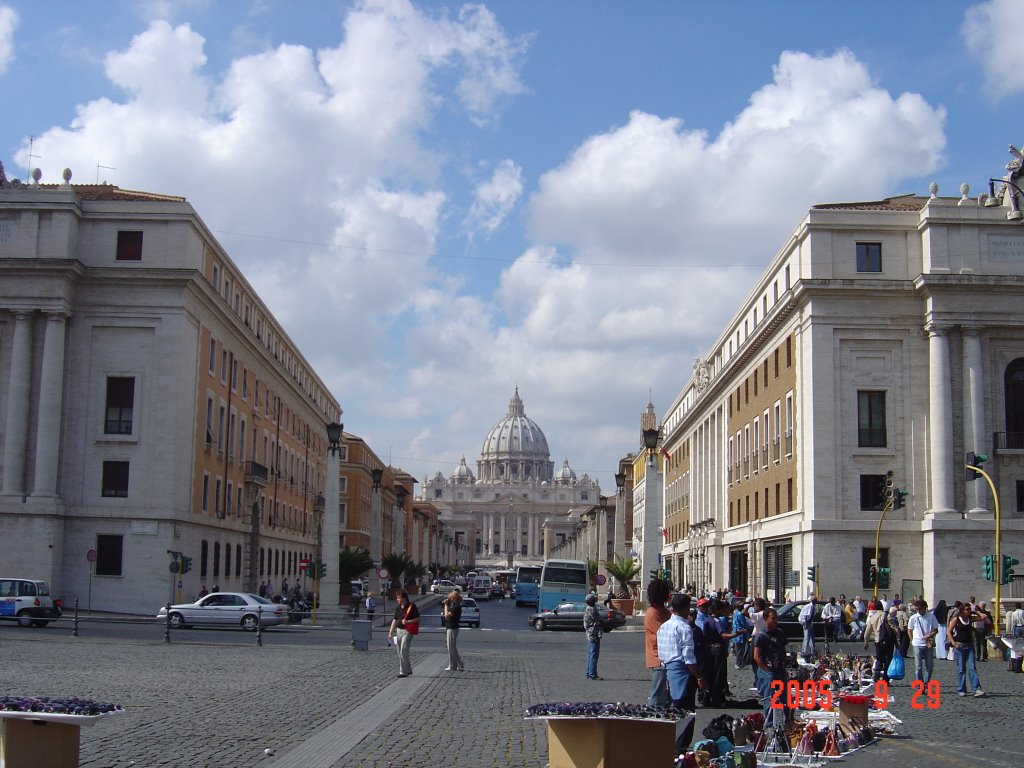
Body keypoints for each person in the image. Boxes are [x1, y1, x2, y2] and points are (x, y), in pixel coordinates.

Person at [657, 593, 706, 752]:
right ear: (685, 609)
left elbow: (661, 655)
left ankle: (672, 746)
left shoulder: (663, 627)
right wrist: (699, 676)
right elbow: (689, 658)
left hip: (668, 671)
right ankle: (680, 749)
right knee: (687, 714)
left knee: (674, 711)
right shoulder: (684, 627)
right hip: (683, 672)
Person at [753, 607, 790, 723]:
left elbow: (783, 649)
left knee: (785, 697)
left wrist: (784, 665)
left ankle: (787, 721)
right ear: (765, 619)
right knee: (770, 698)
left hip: (780, 669)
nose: (775, 621)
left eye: (776, 618)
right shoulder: (761, 636)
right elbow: (756, 656)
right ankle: (769, 723)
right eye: (772, 618)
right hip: (768, 671)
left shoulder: (780, 633)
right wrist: (767, 670)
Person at [644, 578, 672, 707]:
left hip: (667, 658)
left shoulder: (665, 611)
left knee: (665, 696)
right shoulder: (652, 613)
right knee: (657, 695)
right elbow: (664, 633)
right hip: (658, 659)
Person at [948, 602, 985, 697]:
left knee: (972, 667)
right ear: (962, 610)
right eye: (967, 609)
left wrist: (975, 612)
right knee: (961, 669)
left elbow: (983, 617)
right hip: (960, 646)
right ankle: (961, 689)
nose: (968, 611)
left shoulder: (970, 619)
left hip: (969, 646)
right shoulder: (956, 619)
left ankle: (976, 689)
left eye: (969, 609)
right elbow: (949, 631)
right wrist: (953, 643)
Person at [387, 590, 420, 678]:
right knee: (399, 651)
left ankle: (403, 672)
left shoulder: (412, 606)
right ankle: (408, 669)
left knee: (403, 650)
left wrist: (408, 621)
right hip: (399, 630)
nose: (397, 599)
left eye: (398, 598)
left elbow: (418, 619)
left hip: (408, 631)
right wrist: (390, 632)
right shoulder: (398, 608)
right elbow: (394, 620)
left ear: (403, 598)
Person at [907, 599, 940, 684]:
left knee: (929, 666)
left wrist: (929, 635)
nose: (918, 610)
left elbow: (936, 630)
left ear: (924, 608)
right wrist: (912, 640)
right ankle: (920, 684)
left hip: (928, 644)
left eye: (920, 608)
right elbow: (909, 630)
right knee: (918, 667)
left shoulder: (931, 617)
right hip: (917, 644)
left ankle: (926, 682)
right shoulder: (913, 618)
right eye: (917, 609)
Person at [442, 591, 464, 672]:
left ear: (455, 598)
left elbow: (446, 616)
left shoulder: (456, 607)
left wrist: (446, 605)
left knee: (451, 648)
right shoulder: (454, 606)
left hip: (452, 628)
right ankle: (457, 664)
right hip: (451, 627)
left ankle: (454, 665)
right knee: (452, 647)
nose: (450, 599)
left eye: (451, 598)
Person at [583, 593, 603, 680]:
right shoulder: (591, 609)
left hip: (590, 633)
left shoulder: (588, 608)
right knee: (594, 654)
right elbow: (597, 620)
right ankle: (592, 674)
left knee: (590, 654)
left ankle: (589, 673)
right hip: (594, 634)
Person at [731, 600, 753, 670]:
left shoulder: (735, 613)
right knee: (740, 650)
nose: (743, 606)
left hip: (737, 634)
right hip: (741, 634)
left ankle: (740, 662)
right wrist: (748, 628)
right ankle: (738, 663)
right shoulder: (739, 614)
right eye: (742, 605)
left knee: (739, 649)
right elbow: (744, 624)